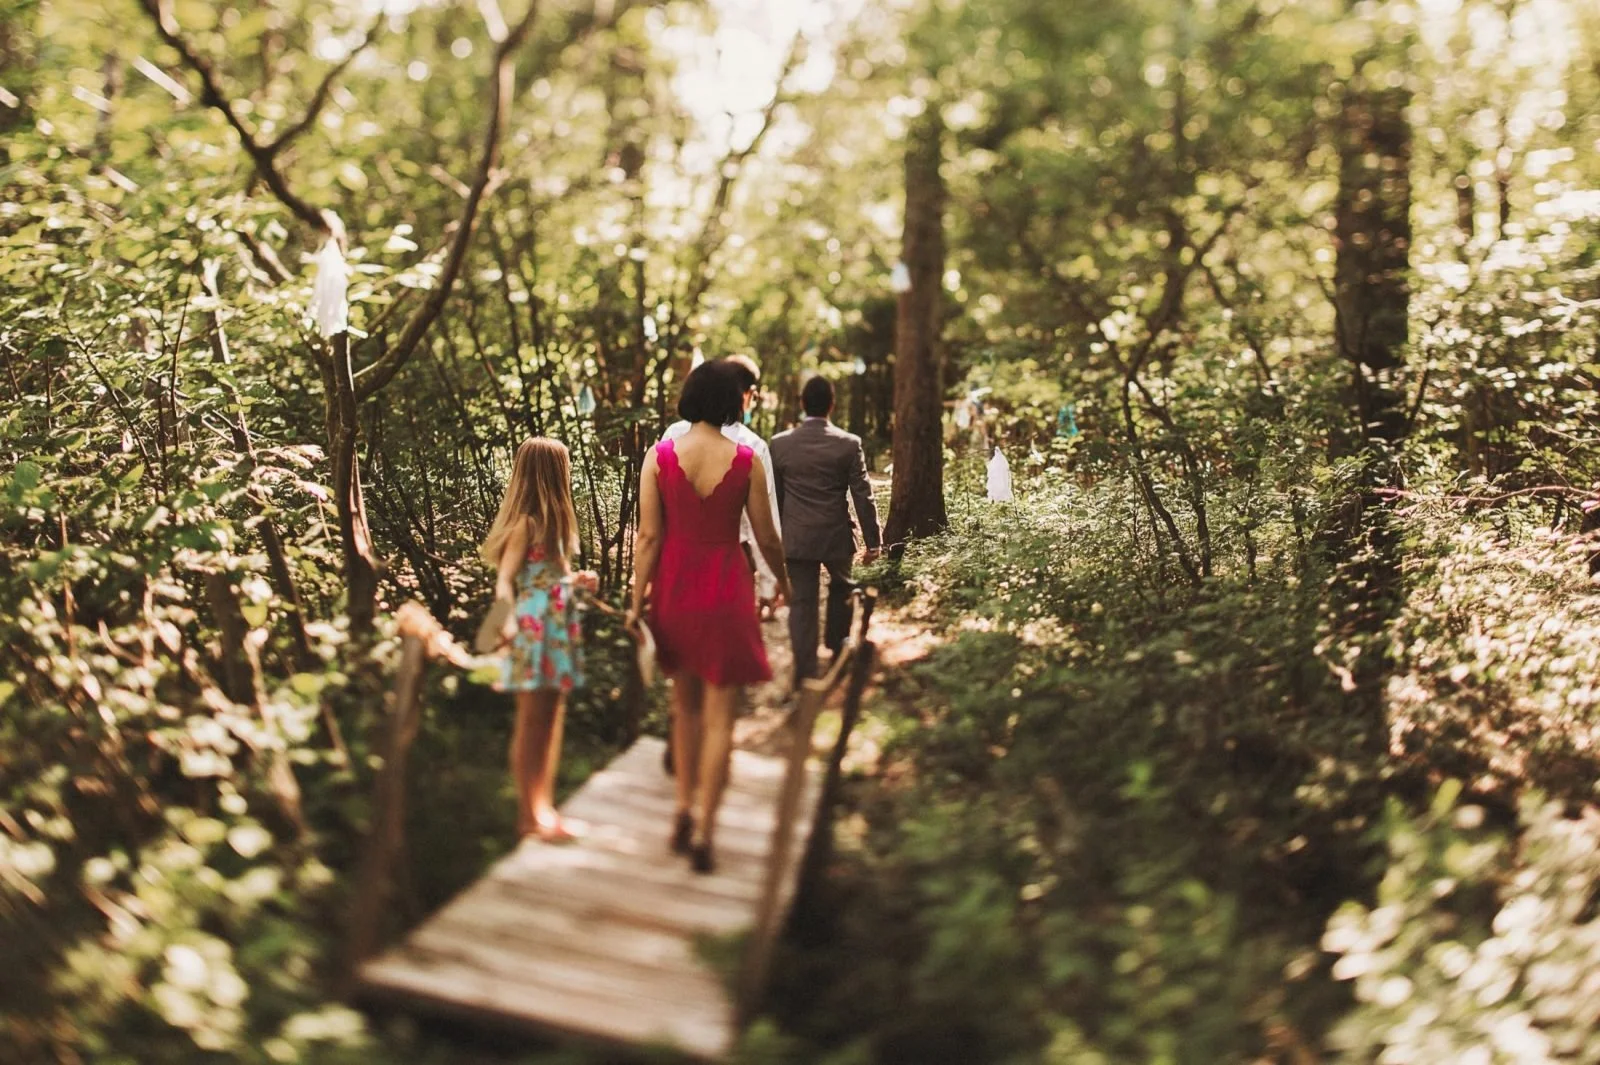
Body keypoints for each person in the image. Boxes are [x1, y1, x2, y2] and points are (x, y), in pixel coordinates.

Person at [630, 362, 792, 873]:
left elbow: (649, 538)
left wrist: (637, 600)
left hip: (675, 588)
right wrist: (782, 583)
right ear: (732, 400)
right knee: (723, 718)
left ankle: (682, 806)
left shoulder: (657, 458)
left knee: (685, 709)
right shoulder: (748, 459)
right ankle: (706, 829)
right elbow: (766, 537)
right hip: (726, 587)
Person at [481, 438, 599, 844]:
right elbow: (504, 582)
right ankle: (528, 816)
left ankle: (544, 809)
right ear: (550, 473)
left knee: (550, 721)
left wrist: (576, 580)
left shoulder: (555, 527)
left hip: (557, 624)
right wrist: (507, 624)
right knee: (532, 722)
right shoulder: (526, 525)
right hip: (534, 627)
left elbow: (552, 577)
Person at [769, 375, 881, 691]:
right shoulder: (848, 444)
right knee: (842, 589)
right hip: (835, 536)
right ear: (832, 405)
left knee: (802, 604)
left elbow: (776, 499)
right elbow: (863, 494)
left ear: (802, 403)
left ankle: (804, 674)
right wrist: (874, 542)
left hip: (797, 539)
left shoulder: (780, 444)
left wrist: (777, 540)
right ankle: (836, 651)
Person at [661, 355, 781, 611]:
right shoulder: (752, 446)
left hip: (679, 557)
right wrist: (771, 583)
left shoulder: (673, 436)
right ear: (745, 395)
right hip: (733, 560)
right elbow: (764, 525)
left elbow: (658, 511)